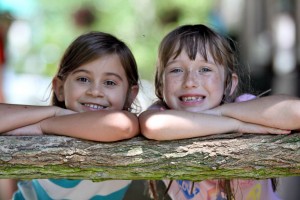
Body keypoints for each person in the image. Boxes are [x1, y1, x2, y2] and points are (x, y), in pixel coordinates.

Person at [139, 24, 300, 200]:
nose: (190, 81)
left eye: (205, 69)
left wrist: (221, 112)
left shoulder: (241, 107)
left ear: (229, 84)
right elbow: (152, 126)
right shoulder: (162, 112)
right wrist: (236, 125)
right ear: (161, 85)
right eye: (176, 70)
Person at [0, 31, 140, 199]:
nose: (95, 91)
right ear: (59, 88)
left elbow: (120, 125)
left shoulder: (129, 124)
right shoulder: (46, 116)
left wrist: (44, 125)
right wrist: (55, 112)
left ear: (131, 95)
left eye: (109, 82)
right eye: (83, 79)